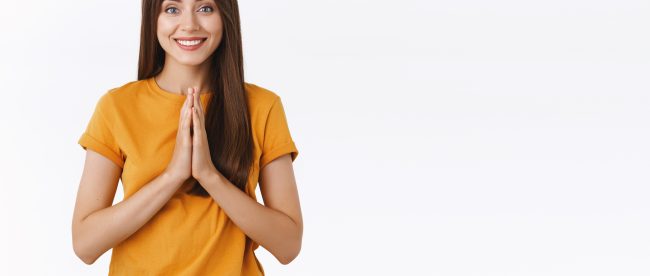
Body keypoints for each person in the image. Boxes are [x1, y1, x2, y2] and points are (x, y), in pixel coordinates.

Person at [71, 0, 303, 274]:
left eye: (205, 8)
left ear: (226, 16)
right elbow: (85, 245)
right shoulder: (117, 107)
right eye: (172, 9)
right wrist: (172, 176)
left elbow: (288, 246)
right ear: (153, 19)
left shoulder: (262, 107)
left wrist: (209, 176)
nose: (190, 24)